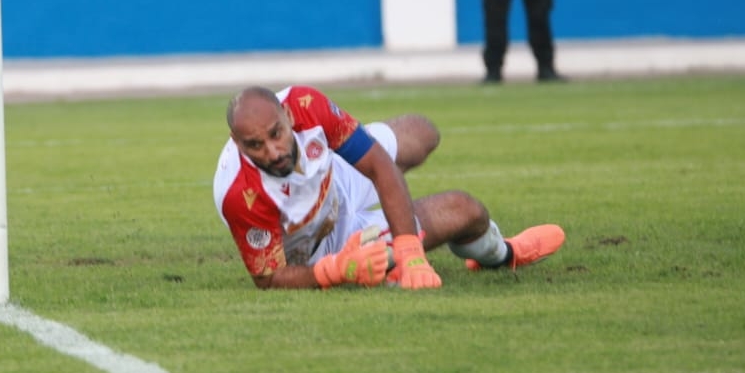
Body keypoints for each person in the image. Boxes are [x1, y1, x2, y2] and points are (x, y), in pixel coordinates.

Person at [213, 85, 564, 290]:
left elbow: (379, 165)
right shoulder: (239, 193)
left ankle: (401, 256)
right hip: (318, 246)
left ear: (288, 117)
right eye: (256, 145)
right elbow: (269, 278)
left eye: (276, 134)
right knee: (464, 210)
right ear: (237, 143)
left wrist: (411, 251)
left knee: (421, 132)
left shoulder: (307, 105)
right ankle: (502, 255)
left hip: (334, 180)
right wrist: (332, 271)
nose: (272, 152)